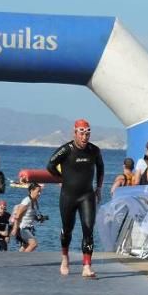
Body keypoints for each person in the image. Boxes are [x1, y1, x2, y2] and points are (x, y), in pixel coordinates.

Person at [46, 118, 104, 278]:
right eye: (82, 132)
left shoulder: (94, 150)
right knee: (67, 230)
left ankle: (87, 266)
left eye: (88, 133)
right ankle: (65, 258)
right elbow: (50, 165)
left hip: (87, 195)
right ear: (75, 133)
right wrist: (61, 178)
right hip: (68, 196)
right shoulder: (66, 150)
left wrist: (98, 188)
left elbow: (100, 167)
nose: (85, 136)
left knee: (88, 229)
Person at [10, 182, 44, 252]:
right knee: (33, 244)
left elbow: (30, 215)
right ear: (31, 191)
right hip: (23, 228)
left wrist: (39, 218)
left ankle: (16, 261)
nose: (39, 194)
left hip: (29, 228)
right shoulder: (26, 201)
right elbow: (18, 215)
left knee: (25, 246)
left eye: (40, 192)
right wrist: (15, 229)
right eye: (38, 192)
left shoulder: (34, 201)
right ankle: (22, 260)